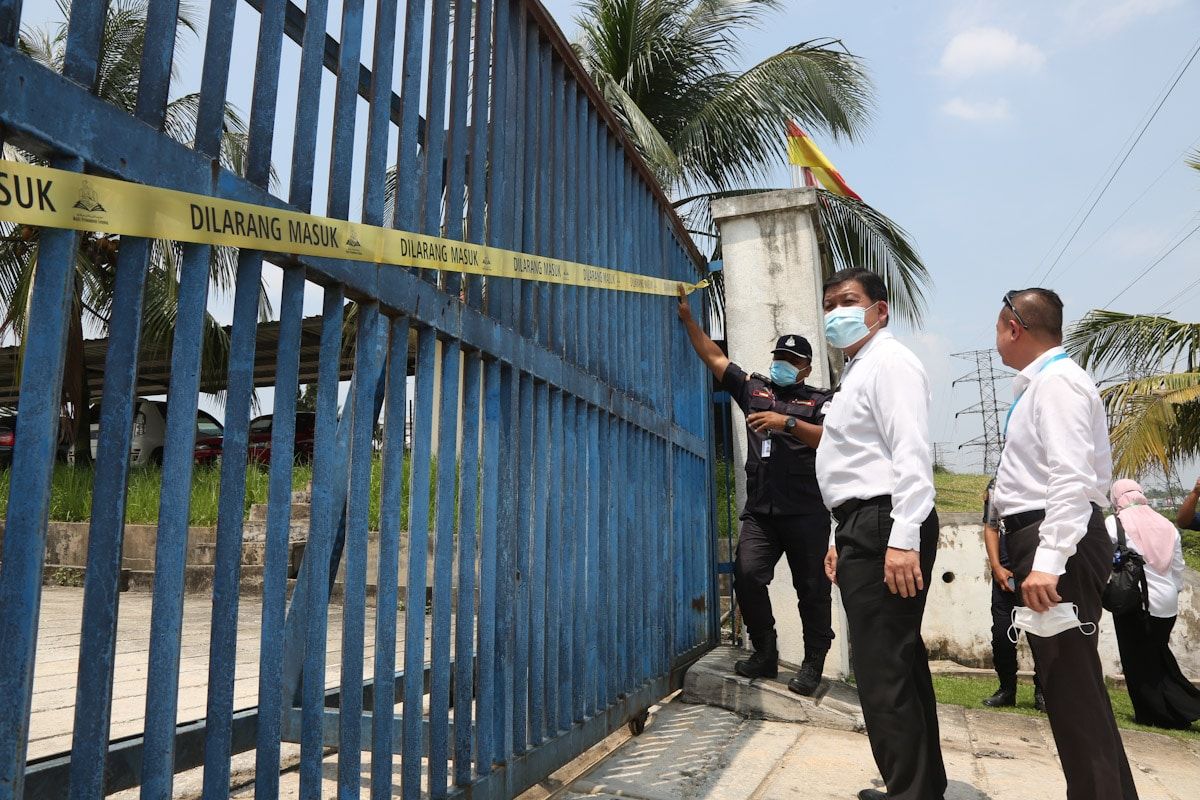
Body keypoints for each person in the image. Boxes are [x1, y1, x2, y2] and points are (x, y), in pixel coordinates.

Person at [990, 287, 1138, 800]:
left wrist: (1048, 561)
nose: (995, 338)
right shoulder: (1038, 386)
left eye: (997, 327)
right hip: (1049, 535)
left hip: (1058, 540)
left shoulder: (1057, 385)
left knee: (1070, 690)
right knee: (1077, 689)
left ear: (1015, 326)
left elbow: (1072, 479)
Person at [817, 268, 945, 800]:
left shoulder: (889, 363)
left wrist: (902, 536)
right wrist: (836, 535)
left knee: (880, 671)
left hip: (886, 521)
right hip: (864, 525)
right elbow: (854, 462)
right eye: (829, 305)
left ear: (880, 310)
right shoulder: (859, 369)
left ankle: (909, 791)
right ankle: (918, 787)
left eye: (848, 301)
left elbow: (911, 453)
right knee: (900, 663)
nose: (836, 313)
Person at [675, 285, 834, 695]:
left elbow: (832, 440)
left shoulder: (820, 401)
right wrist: (689, 320)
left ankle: (814, 662)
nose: (783, 364)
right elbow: (715, 358)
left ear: (805, 368)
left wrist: (788, 424)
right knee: (746, 576)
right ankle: (765, 652)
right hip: (762, 512)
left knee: (812, 589)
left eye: (792, 360)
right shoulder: (754, 390)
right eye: (779, 357)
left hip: (806, 512)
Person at [1107, 479, 1200, 730]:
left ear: (1117, 498)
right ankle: (1168, 711)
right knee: (1156, 658)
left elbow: (1103, 561)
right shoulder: (1166, 525)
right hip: (1167, 604)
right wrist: (1170, 593)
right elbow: (1178, 569)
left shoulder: (1115, 523)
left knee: (1138, 662)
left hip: (1134, 602)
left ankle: (1164, 713)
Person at [981, 478, 1045, 711]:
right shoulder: (996, 485)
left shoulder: (1042, 479)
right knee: (1002, 635)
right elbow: (991, 527)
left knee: (1041, 634)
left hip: (1038, 571)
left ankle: (1043, 691)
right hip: (1005, 574)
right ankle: (1007, 689)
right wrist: (997, 567)